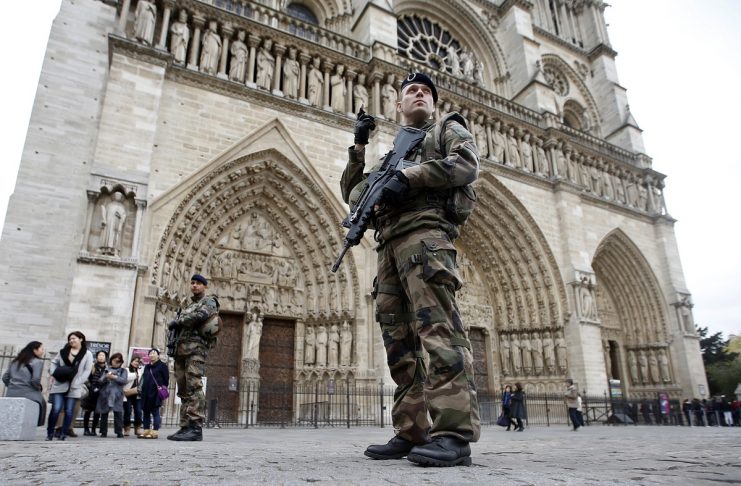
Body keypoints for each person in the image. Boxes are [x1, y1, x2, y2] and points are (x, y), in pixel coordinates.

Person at [343, 72, 480, 467]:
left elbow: (466, 165)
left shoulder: (445, 130)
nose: (419, 94)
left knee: (439, 334)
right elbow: (354, 197)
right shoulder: (393, 155)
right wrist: (359, 145)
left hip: (426, 238)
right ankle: (412, 429)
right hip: (388, 247)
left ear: (432, 104)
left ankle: (453, 434)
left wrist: (411, 177)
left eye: (425, 91)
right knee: (398, 344)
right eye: (410, 92)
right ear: (398, 106)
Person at [167, 274, 219, 441]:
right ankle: (185, 426)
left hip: (196, 349)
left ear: (204, 286)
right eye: (192, 283)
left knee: (194, 386)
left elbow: (201, 316)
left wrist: (180, 321)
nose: (194, 286)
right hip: (180, 349)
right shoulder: (188, 305)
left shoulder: (209, 302)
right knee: (182, 388)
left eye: (198, 283)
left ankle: (196, 427)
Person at [47, 331, 93, 440]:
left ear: (81, 339)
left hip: (75, 386)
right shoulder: (63, 351)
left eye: (73, 338)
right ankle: (50, 433)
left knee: (69, 411)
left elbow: (87, 370)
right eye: (70, 339)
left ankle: (63, 433)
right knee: (56, 408)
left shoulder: (87, 353)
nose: (71, 340)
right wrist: (54, 373)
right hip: (60, 383)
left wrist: (79, 381)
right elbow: (54, 362)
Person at [2, 341, 46, 426]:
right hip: (29, 393)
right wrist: (38, 388)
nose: (43, 351)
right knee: (42, 402)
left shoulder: (15, 361)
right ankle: (35, 424)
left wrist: (13, 386)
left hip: (12, 393)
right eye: (41, 349)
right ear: (35, 350)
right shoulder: (37, 362)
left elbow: (5, 377)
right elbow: (35, 380)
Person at [138, 349, 169, 439]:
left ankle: (155, 432)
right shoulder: (147, 367)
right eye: (150, 353)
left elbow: (166, 380)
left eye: (154, 353)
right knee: (146, 412)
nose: (152, 355)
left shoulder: (162, 366)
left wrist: (162, 387)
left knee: (155, 412)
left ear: (158, 355)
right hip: (146, 392)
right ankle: (146, 430)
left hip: (155, 392)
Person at [96, 353, 128, 438]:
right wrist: (106, 377)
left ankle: (119, 432)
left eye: (118, 361)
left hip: (117, 395)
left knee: (118, 413)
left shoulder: (123, 371)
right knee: (104, 413)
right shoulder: (106, 369)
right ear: (111, 361)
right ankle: (103, 432)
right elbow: (100, 381)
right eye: (114, 361)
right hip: (105, 394)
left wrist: (114, 377)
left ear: (121, 362)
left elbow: (124, 381)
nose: (116, 363)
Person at [82, 350, 108, 436]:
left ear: (105, 357)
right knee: (88, 411)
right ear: (96, 357)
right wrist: (91, 387)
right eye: (99, 355)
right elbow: (86, 379)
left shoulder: (107, 369)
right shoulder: (92, 366)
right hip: (91, 392)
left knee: (97, 412)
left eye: (103, 355)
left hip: (101, 393)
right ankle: (86, 429)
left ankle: (93, 429)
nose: (101, 357)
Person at [123, 356, 143, 436]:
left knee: (138, 412)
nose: (136, 363)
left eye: (138, 362)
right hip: (128, 393)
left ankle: (137, 428)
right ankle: (127, 428)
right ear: (131, 362)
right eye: (134, 361)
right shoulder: (126, 370)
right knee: (127, 412)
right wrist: (135, 375)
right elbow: (125, 379)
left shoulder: (141, 370)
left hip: (138, 394)